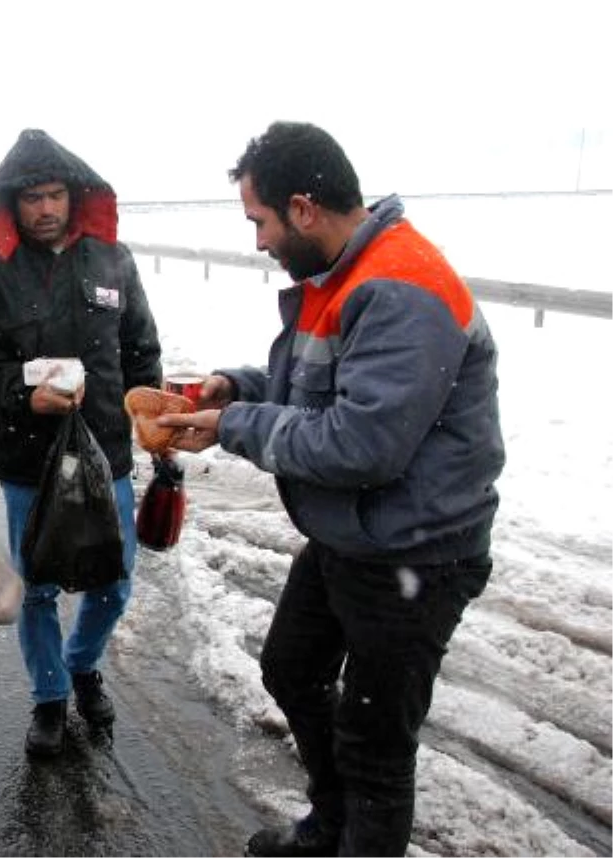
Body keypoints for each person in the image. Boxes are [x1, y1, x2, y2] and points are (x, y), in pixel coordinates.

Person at [157, 121, 505, 857]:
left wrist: (235, 424)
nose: (258, 241)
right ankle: (329, 827)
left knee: (377, 742)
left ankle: (355, 832)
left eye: (261, 221)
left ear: (304, 208)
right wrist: (239, 386)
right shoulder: (344, 271)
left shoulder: (401, 286)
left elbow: (362, 443)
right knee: (292, 667)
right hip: (354, 536)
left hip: (416, 552)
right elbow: (321, 390)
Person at [0, 129, 162, 757]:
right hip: (28, 459)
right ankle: (48, 698)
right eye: (32, 198)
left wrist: (154, 415)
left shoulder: (113, 262)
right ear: (10, 205)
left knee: (113, 582)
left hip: (108, 452)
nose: (45, 209)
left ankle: (81, 663)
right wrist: (25, 397)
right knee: (38, 586)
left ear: (75, 197)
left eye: (55, 195)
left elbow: (141, 350)